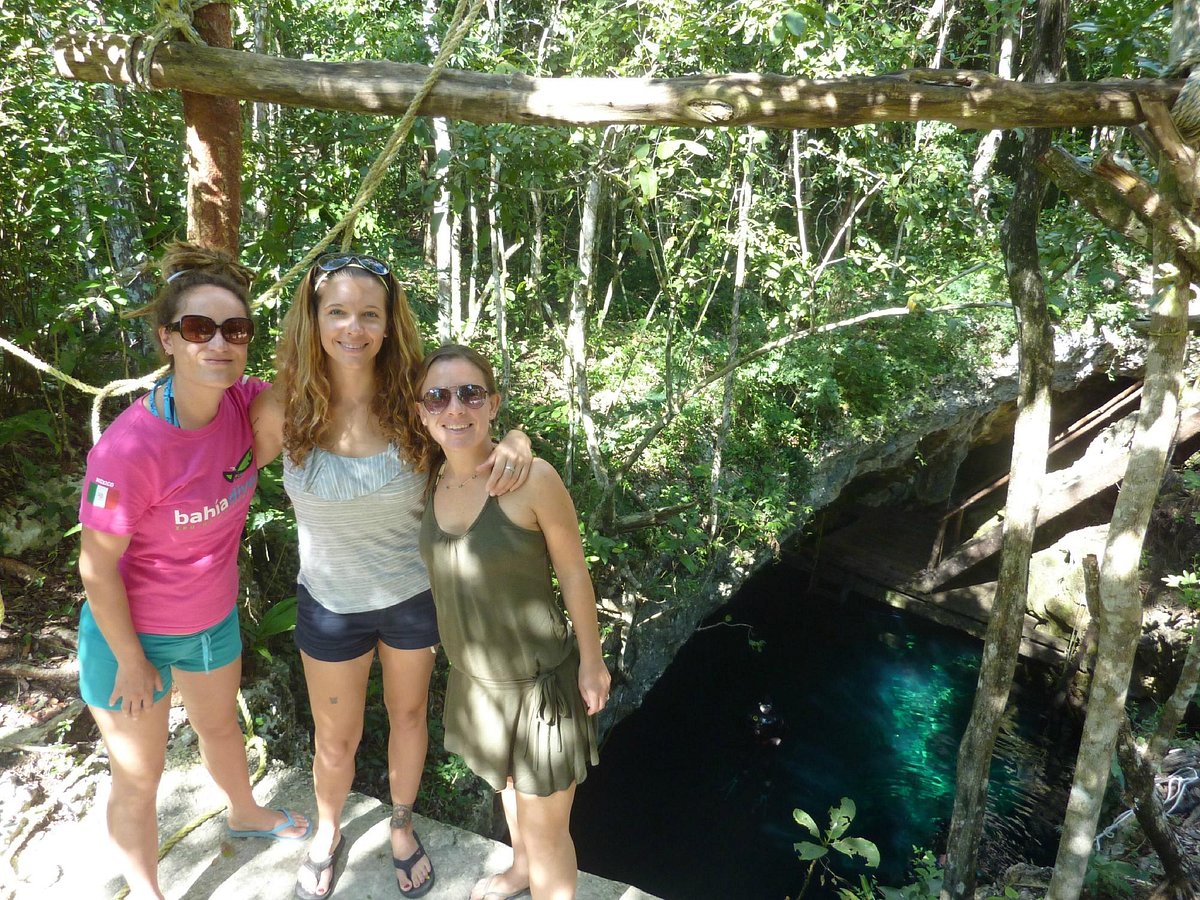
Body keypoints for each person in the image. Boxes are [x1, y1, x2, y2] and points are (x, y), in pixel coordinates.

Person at [250, 254, 532, 899]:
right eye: (338, 312)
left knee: (408, 717)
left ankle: (401, 826)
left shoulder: (413, 403)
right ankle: (328, 831)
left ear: (388, 322)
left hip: (412, 598)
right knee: (335, 735)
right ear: (314, 318)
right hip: (328, 603)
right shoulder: (282, 410)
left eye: (369, 314)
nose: (354, 327)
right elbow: (208, 461)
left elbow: (475, 434)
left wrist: (519, 439)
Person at [77, 242, 310, 900]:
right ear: (167, 339)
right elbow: (96, 571)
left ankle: (245, 810)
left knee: (219, 727)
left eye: (234, 330)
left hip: (209, 621)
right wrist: (129, 659)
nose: (219, 344)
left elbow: (312, 389)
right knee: (139, 777)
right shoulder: (130, 449)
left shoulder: (246, 407)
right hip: (130, 636)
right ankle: (148, 891)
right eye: (198, 328)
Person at [414, 343, 611, 900]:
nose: (456, 407)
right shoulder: (427, 481)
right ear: (423, 412)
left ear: (493, 403)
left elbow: (574, 574)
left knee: (549, 830)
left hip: (539, 687)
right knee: (505, 787)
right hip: (477, 684)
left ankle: (542, 877)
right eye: (439, 396)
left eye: (471, 393)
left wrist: (593, 663)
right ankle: (521, 870)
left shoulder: (532, 479)